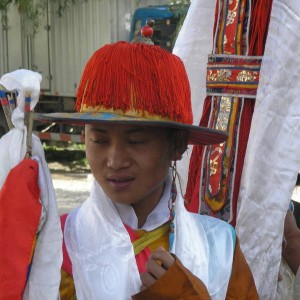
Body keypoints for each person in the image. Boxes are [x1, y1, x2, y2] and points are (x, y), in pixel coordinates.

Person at [36, 41, 258, 299]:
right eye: (99, 140)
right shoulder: (56, 244)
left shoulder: (220, 246)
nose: (115, 160)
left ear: (176, 145)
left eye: (136, 141)